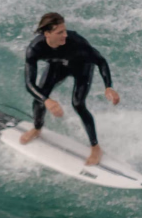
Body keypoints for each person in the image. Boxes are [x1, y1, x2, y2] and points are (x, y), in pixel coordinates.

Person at [22, 11, 121, 167]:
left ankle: (95, 147)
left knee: (78, 104)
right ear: (47, 34)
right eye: (60, 32)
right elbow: (29, 83)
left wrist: (108, 86)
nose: (65, 35)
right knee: (39, 98)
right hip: (57, 67)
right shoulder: (35, 49)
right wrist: (47, 100)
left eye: (65, 30)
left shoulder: (76, 42)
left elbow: (100, 61)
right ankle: (37, 128)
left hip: (82, 68)